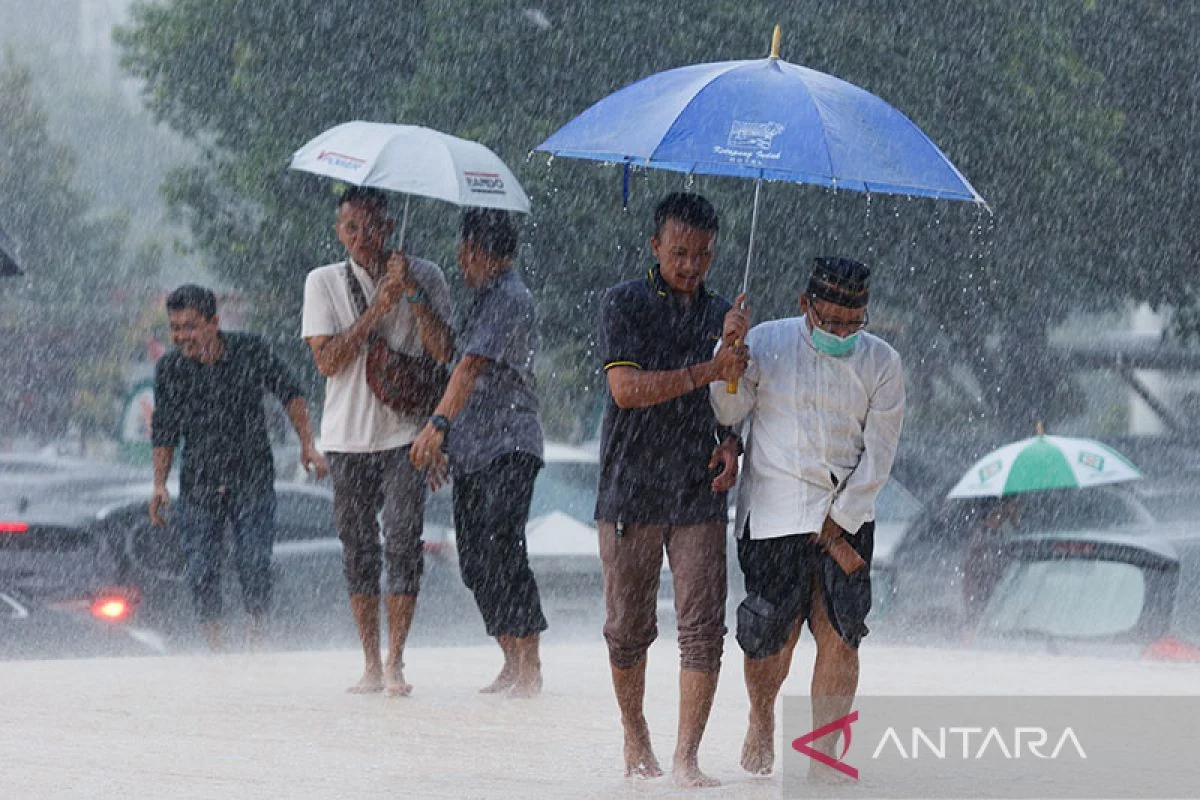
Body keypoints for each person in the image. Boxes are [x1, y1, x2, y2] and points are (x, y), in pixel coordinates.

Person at [711, 256, 905, 780]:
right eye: (831, 321)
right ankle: (761, 717)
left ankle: (824, 757)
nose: (841, 333)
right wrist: (727, 361)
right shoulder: (765, 342)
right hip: (774, 515)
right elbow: (728, 413)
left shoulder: (883, 363)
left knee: (841, 635)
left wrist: (841, 518)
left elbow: (880, 455)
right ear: (805, 304)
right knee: (770, 636)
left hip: (847, 518)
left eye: (853, 323)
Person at [591, 192, 748, 788]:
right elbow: (626, 392)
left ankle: (687, 757)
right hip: (629, 485)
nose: (691, 266)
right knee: (628, 630)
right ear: (655, 246)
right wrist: (709, 369)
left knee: (704, 628)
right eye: (679, 253)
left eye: (703, 255)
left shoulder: (723, 314)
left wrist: (731, 439)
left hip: (697, 484)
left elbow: (731, 401)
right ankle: (635, 730)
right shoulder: (623, 303)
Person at [301, 187, 454, 696]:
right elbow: (327, 361)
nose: (363, 237)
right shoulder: (323, 281)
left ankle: (396, 661)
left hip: (406, 436)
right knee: (358, 548)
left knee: (404, 542)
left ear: (390, 227)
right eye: (352, 228)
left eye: (372, 226)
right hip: (346, 438)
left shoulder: (426, 274)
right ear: (338, 232)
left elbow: (442, 353)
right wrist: (377, 308)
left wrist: (410, 292)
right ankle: (369, 661)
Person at [409, 207, 547, 698]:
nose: (458, 261)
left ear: (475, 251)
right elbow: (450, 357)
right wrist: (414, 296)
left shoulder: (510, 297)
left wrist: (436, 427)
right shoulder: (483, 299)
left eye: (462, 251)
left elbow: (468, 368)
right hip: (472, 448)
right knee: (474, 560)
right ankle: (510, 657)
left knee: (503, 546)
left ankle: (530, 664)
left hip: (509, 443)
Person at [150, 284, 328, 651]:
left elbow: (291, 392)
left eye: (190, 326)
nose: (182, 336)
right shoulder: (170, 369)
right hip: (199, 483)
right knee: (201, 569)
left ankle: (256, 640)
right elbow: (164, 429)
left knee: (254, 562)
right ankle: (216, 651)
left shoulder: (250, 351)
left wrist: (307, 443)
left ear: (214, 323)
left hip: (252, 479)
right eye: (175, 328)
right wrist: (159, 483)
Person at [962, 495, 1022, 620]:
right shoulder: (981, 540)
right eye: (994, 515)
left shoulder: (1003, 532)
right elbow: (972, 573)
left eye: (999, 514)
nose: (998, 518)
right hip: (986, 593)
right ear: (985, 519)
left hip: (998, 590)